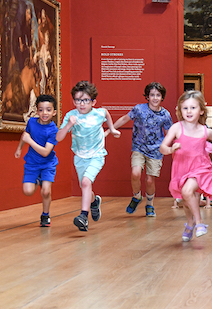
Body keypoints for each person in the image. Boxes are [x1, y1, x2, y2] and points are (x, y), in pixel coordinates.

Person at [160, 90, 212, 242]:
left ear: (201, 110)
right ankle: (190, 224)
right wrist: (170, 149)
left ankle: (199, 223)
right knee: (187, 198)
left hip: (201, 168)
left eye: (193, 108)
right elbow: (162, 148)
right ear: (180, 110)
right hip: (181, 169)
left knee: (187, 191)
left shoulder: (204, 131)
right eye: (185, 108)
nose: (189, 111)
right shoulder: (176, 128)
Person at [56, 81, 121, 231]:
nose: (82, 104)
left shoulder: (99, 113)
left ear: (93, 102)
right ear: (74, 101)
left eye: (85, 100)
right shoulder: (70, 116)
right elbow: (58, 138)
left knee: (85, 182)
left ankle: (83, 217)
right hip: (79, 157)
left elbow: (106, 113)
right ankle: (94, 202)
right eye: (78, 100)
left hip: (97, 155)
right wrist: (68, 126)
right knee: (85, 186)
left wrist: (112, 129)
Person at [111, 82, 173, 218]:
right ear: (147, 96)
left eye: (158, 95)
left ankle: (149, 205)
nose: (155, 98)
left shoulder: (165, 115)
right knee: (135, 173)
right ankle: (137, 197)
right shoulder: (139, 109)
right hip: (139, 147)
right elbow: (124, 118)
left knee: (150, 180)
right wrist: (111, 129)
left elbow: (169, 133)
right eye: (152, 95)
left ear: (162, 97)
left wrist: (172, 148)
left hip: (156, 150)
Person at [14, 94, 59, 227]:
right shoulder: (32, 122)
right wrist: (19, 149)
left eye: (48, 109)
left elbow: (46, 152)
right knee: (27, 191)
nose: (44, 113)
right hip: (32, 163)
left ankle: (45, 215)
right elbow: (25, 136)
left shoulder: (54, 131)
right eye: (41, 109)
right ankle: (38, 180)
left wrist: (29, 141)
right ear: (37, 110)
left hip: (47, 164)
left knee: (46, 191)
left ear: (54, 112)